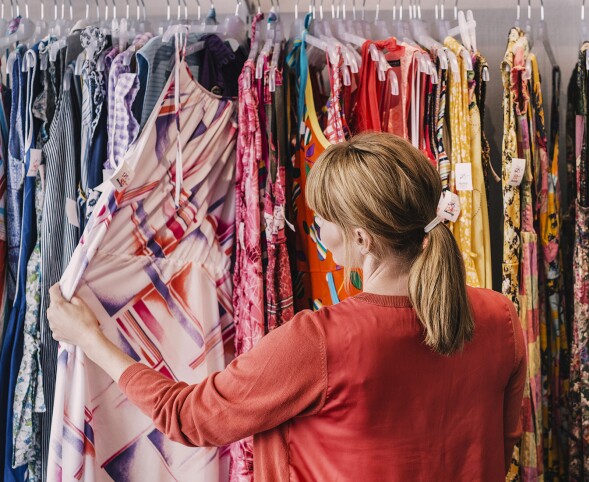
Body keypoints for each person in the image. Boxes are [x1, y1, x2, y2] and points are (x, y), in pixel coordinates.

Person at [48, 132, 526, 481]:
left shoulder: (321, 343)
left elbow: (190, 417)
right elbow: (499, 450)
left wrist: (92, 339)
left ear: (361, 238)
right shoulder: (500, 319)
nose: (319, 234)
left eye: (322, 222)